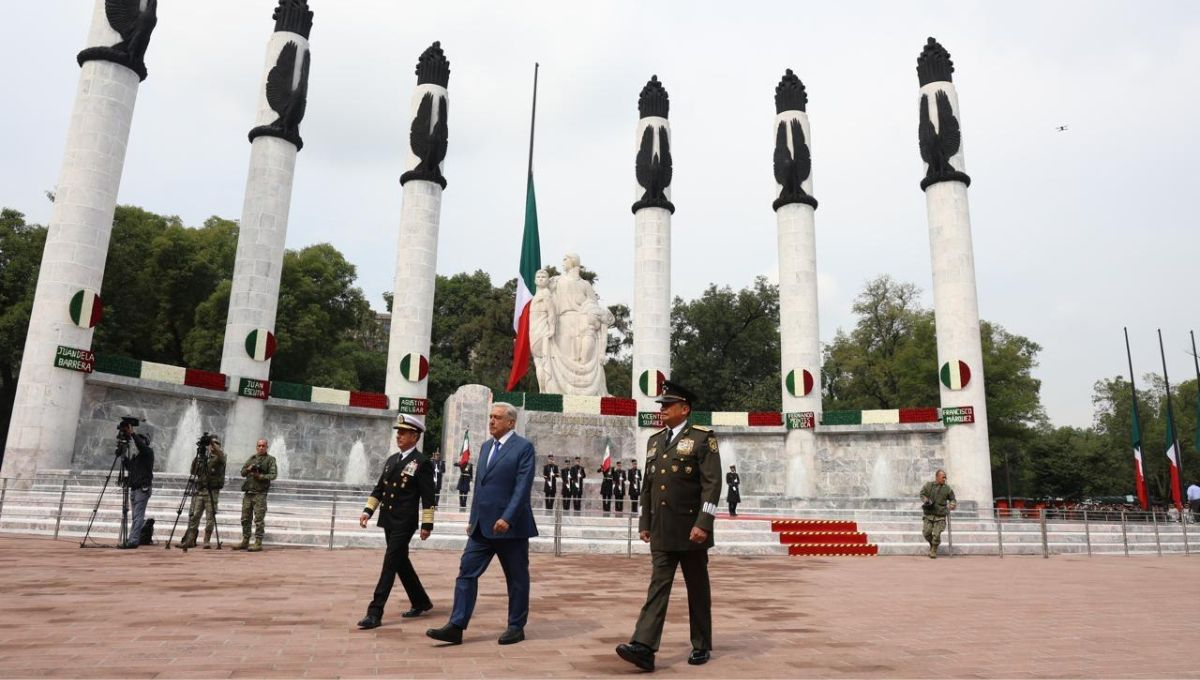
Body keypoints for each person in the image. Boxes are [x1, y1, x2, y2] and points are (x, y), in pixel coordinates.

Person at [617, 380, 722, 671]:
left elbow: (712, 485)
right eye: (661, 405)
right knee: (657, 587)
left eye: (667, 406)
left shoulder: (703, 438)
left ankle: (701, 644)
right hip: (662, 528)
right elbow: (647, 487)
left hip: (692, 530)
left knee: (697, 589)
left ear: (684, 409)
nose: (661, 410)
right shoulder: (655, 441)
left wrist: (704, 523)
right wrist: (644, 521)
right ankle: (644, 647)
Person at [427, 403, 537, 646]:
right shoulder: (486, 447)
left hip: (510, 527)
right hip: (481, 528)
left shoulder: (524, 448)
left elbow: (522, 488)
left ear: (511, 422)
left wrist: (507, 517)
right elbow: (480, 486)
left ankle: (516, 626)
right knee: (466, 572)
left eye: (497, 417)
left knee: (517, 578)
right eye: (490, 417)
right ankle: (456, 625)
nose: (491, 421)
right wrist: (472, 518)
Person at [356, 415, 437, 630]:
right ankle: (421, 601)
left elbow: (428, 497)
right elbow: (379, 489)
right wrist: (368, 511)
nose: (399, 435)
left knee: (390, 563)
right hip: (388, 519)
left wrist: (427, 525)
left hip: (404, 522)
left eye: (403, 432)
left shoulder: (422, 463)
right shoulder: (392, 459)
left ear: (415, 436)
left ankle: (375, 612)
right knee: (401, 562)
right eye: (398, 432)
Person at [180, 435, 226, 549]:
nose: (212, 446)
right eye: (211, 444)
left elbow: (220, 454)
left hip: (212, 491)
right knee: (194, 516)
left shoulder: (221, 457)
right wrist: (199, 455)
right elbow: (193, 471)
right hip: (200, 490)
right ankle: (190, 539)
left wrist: (211, 442)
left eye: (215, 444)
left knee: (210, 516)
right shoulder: (204, 458)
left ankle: (206, 540)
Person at [233, 439, 278, 552]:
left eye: (263, 446)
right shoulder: (252, 458)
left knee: (259, 520)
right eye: (259, 446)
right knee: (245, 518)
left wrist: (260, 476)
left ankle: (258, 542)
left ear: (267, 447)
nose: (261, 448)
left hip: (260, 494)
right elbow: (242, 473)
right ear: (256, 447)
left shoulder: (270, 460)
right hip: (248, 494)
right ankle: (245, 540)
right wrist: (248, 469)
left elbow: (273, 475)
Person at [117, 417, 155, 549]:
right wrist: (122, 453)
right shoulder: (137, 458)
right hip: (134, 489)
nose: (138, 442)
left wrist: (132, 433)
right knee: (135, 517)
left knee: (138, 516)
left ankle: (133, 541)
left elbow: (141, 445)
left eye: (141, 439)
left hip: (142, 490)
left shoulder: (148, 453)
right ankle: (133, 538)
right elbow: (129, 467)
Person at [920, 469, 956, 559]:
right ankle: (933, 544)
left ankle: (933, 550)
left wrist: (952, 504)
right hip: (928, 514)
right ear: (937, 477)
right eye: (943, 477)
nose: (944, 479)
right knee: (926, 533)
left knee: (936, 535)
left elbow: (953, 498)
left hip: (940, 515)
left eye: (945, 477)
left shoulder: (947, 488)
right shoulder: (928, 485)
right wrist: (925, 500)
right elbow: (922, 494)